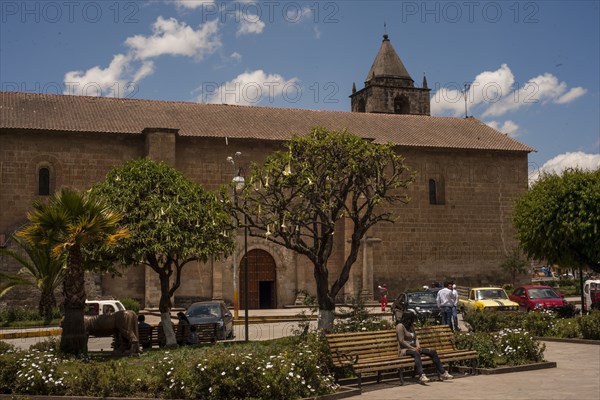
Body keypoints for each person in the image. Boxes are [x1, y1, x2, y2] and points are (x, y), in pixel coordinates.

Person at [396, 310, 453, 383]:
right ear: (407, 318)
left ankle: (442, 372)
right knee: (416, 353)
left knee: (432, 352)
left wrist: (418, 346)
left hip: (414, 348)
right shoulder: (400, 326)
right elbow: (401, 341)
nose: (412, 321)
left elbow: (416, 338)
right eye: (411, 319)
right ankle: (421, 375)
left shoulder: (411, 326)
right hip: (404, 350)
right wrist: (413, 348)